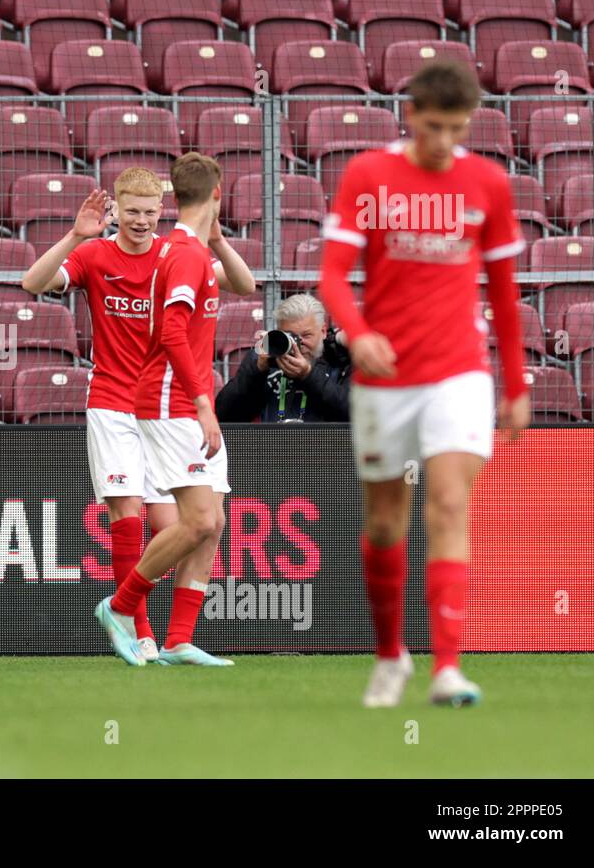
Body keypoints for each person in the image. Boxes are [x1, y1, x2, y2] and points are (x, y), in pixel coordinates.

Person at [318, 59, 530, 708]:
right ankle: (390, 656)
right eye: (434, 127)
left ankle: (447, 668)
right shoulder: (367, 174)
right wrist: (357, 332)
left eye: (457, 128)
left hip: (459, 371)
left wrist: (515, 382)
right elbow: (332, 277)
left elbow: (503, 288)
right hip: (384, 378)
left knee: (447, 503)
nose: (444, 142)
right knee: (385, 522)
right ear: (411, 116)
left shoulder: (487, 182)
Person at [23, 167, 254, 664]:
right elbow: (32, 282)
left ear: (162, 211)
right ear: (117, 211)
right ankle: (140, 632)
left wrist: (217, 239)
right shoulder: (95, 254)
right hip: (113, 400)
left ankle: (174, 635)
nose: (142, 222)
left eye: (151, 212)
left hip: (164, 405)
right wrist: (74, 235)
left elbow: (243, 283)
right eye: (132, 211)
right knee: (128, 516)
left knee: (186, 523)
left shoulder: (172, 256)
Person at [93, 153, 235, 666]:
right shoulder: (184, 255)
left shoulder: (191, 249)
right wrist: (203, 405)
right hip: (173, 402)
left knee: (212, 521)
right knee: (196, 521)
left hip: (185, 400)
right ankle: (122, 605)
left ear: (174, 200)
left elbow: (244, 285)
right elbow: (172, 331)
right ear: (218, 195)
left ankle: (178, 639)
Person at [216, 293, 352, 423]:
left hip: (327, 445)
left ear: (323, 331)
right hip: (272, 445)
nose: (298, 344)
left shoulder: (340, 363)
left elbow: (353, 413)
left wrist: (308, 376)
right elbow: (223, 414)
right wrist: (256, 371)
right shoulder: (265, 363)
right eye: (290, 336)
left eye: (306, 335)